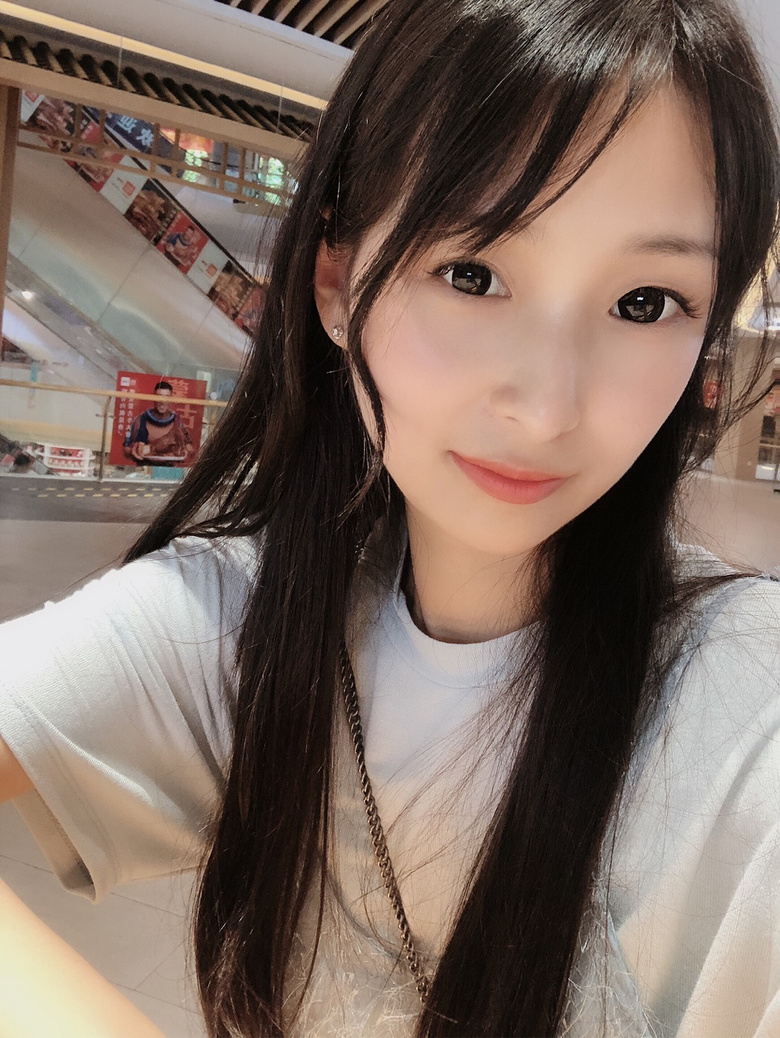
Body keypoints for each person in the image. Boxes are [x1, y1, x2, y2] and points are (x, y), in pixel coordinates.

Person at [1, 0, 780, 1035]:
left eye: (646, 302)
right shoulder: (243, 622)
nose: (547, 408)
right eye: (472, 274)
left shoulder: (741, 710)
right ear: (335, 282)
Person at [122, 380, 194, 465]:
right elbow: (126, 449)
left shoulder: (177, 422)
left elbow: (189, 448)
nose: (162, 401)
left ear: (171, 399)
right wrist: (133, 451)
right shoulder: (139, 420)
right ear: (153, 398)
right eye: (159, 397)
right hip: (144, 467)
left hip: (169, 468)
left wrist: (184, 452)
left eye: (167, 397)